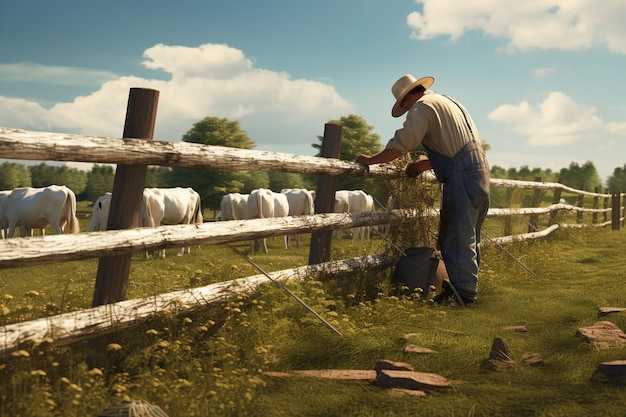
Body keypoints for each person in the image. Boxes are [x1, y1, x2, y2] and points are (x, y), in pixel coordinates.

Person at [356, 74, 490, 305]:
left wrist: (371, 160)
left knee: (457, 234)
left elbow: (403, 143)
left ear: (409, 97)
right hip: (480, 171)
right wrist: (425, 164)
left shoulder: (422, 107)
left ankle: (463, 295)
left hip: (461, 177)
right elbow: (457, 148)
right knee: (471, 233)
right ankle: (467, 287)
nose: (406, 110)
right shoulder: (449, 103)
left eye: (403, 105)